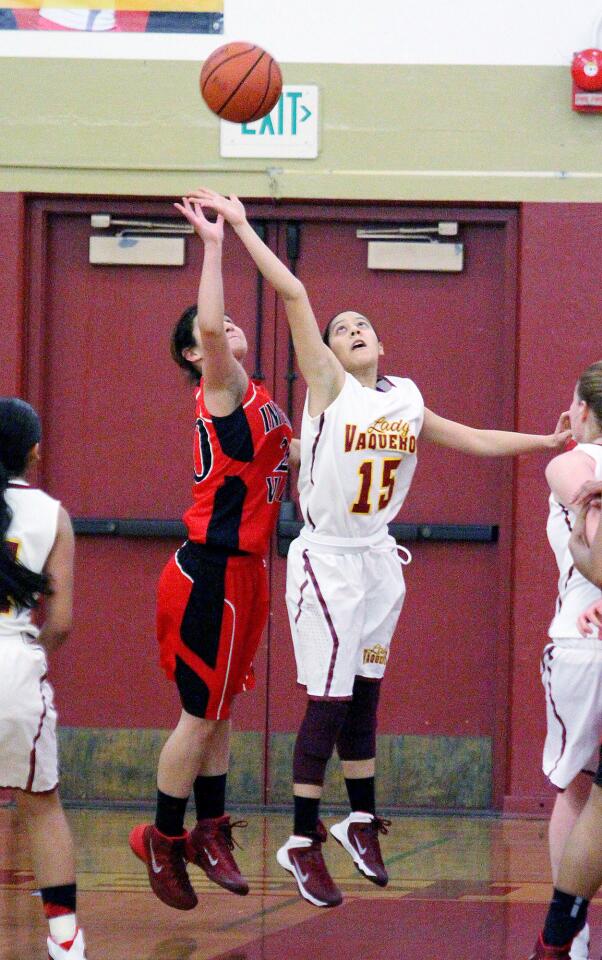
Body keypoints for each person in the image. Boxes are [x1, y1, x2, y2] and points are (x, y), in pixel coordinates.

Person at [186, 187, 573, 908]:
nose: (354, 329)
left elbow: (477, 439)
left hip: (377, 558)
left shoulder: (406, 397)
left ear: (383, 344)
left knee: (366, 692)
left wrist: (547, 441)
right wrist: (239, 228)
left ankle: (359, 820)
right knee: (326, 700)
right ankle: (301, 838)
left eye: (364, 323)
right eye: (342, 328)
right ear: (324, 352)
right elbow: (296, 292)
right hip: (326, 558)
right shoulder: (329, 388)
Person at [128, 196, 293, 910]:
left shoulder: (259, 396)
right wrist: (215, 246)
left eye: (228, 325)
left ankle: (211, 828)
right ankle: (163, 838)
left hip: (248, 571)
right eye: (211, 332)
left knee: (220, 711)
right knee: (199, 715)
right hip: (208, 572)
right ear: (196, 356)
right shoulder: (221, 385)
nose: (225, 329)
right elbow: (207, 323)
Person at [0, 398, 85, 960]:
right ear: (34, 452)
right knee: (41, 805)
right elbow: (61, 622)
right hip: (14, 663)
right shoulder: (51, 513)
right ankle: (65, 940)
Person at [527, 379, 602, 960]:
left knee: (575, 790)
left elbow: (591, 510)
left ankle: (567, 941)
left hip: (579, 639)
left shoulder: (570, 464)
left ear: (580, 406)